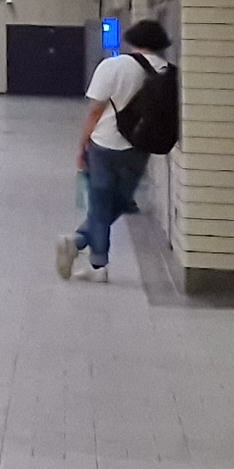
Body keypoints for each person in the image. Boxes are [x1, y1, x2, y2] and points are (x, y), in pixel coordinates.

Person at [59, 17, 174, 281]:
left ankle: (92, 259)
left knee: (100, 204)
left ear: (132, 40)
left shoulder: (113, 66)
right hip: (139, 146)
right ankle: (79, 245)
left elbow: (95, 111)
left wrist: (82, 145)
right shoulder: (168, 72)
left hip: (104, 144)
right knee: (120, 203)